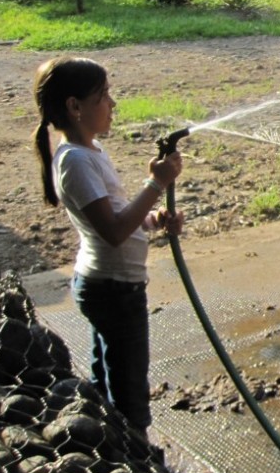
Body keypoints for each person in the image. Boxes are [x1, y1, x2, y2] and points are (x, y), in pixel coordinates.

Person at [32, 56, 184, 440]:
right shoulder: (75, 163)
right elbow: (113, 232)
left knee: (109, 374)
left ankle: (109, 443)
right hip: (113, 289)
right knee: (130, 388)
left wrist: (154, 221)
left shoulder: (91, 151)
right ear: (74, 106)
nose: (112, 104)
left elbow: (118, 218)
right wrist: (155, 185)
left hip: (111, 285)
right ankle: (140, 463)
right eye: (104, 96)